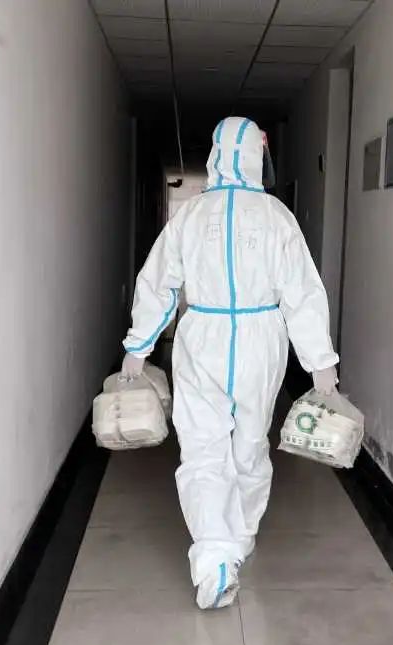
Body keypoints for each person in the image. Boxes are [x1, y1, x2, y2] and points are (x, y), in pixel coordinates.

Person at [120, 117, 339, 610]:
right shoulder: (277, 216)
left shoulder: (191, 216)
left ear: (216, 155)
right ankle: (234, 542)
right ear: (258, 156)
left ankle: (217, 556)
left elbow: (158, 283)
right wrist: (320, 363)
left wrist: (138, 349)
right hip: (261, 342)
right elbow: (302, 292)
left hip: (203, 338)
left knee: (202, 451)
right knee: (250, 445)